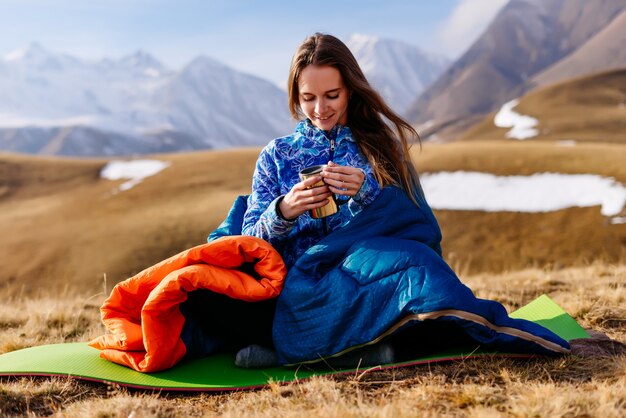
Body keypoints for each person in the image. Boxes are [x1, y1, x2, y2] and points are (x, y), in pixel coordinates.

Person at [235, 32, 424, 368]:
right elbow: (248, 242)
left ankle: (285, 354)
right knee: (215, 298)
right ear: (295, 95)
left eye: (332, 95)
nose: (320, 110)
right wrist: (284, 210)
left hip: (359, 279)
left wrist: (367, 194)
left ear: (350, 89)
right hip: (293, 285)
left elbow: (414, 224)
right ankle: (360, 352)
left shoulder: (382, 149)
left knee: (418, 275)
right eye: (308, 98)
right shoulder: (276, 155)